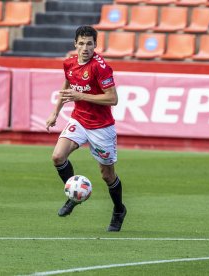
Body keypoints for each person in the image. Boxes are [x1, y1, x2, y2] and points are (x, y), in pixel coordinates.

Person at [45, 25, 127, 232]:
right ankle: (73, 196)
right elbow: (66, 88)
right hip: (79, 121)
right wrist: (55, 112)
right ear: (75, 44)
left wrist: (80, 96)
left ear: (95, 45)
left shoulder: (101, 67)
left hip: (101, 127)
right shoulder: (69, 64)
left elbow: (112, 98)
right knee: (57, 157)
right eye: (81, 43)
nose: (85, 48)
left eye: (89, 44)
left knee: (107, 175)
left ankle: (119, 210)